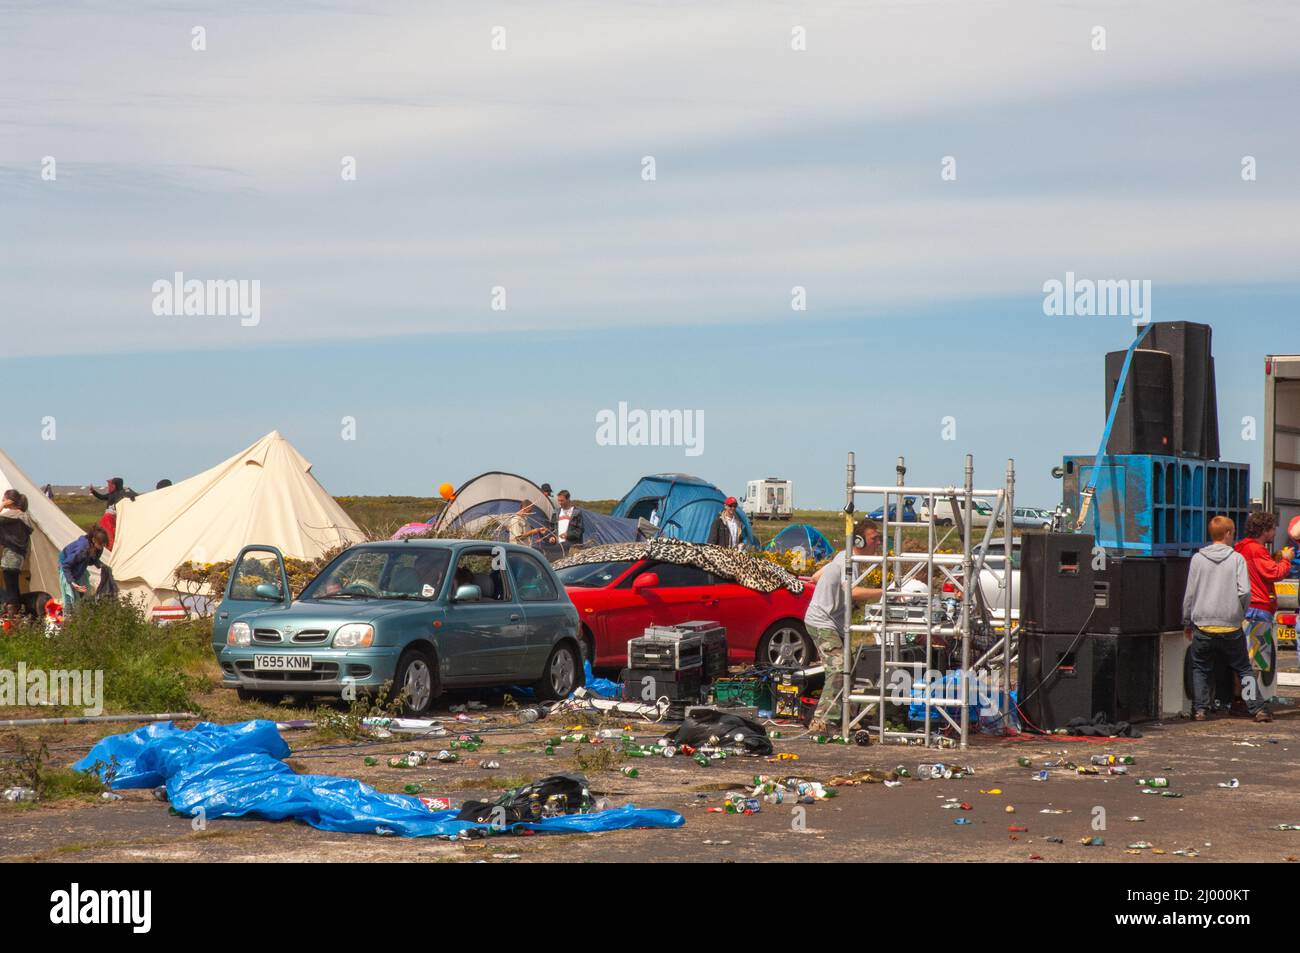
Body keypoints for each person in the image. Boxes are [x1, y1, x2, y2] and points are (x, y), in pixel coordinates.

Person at [803, 518, 885, 736]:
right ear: (858, 540)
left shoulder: (844, 558)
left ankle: (846, 716)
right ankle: (822, 721)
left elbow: (814, 576)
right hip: (821, 621)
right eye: (874, 538)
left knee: (850, 668)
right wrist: (885, 592)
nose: (878, 542)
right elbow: (852, 592)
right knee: (839, 667)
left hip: (832, 621)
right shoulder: (847, 561)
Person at [1184, 516, 1269, 722]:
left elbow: (1190, 593)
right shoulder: (1236, 559)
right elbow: (1245, 592)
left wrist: (1187, 621)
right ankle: (1257, 709)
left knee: (1201, 667)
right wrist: (1238, 613)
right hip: (1231, 625)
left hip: (1203, 625)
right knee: (1243, 668)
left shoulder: (1198, 559)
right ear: (1228, 534)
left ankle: (1200, 710)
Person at [1235, 510, 1293, 710]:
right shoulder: (1256, 550)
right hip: (1259, 608)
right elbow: (1274, 573)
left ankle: (1238, 699)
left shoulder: (1241, 547)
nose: (1275, 534)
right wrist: (1286, 559)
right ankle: (1249, 702)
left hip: (1244, 609)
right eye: (1272, 530)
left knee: (1244, 659)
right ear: (1265, 530)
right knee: (1256, 661)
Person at [0, 490, 34, 618]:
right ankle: (17, 615)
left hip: (10, 557)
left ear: (10, 501)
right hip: (18, 558)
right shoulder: (23, 516)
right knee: (14, 588)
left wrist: (2, 506)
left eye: (4, 499)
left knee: (11, 591)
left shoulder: (12, 515)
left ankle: (13, 619)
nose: (2, 501)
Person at [59, 526, 109, 610]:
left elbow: (93, 559)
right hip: (66, 564)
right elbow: (66, 565)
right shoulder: (82, 549)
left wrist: (101, 565)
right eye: (101, 544)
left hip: (79, 564)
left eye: (104, 544)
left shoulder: (99, 547)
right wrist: (72, 582)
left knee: (83, 592)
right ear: (93, 540)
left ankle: (81, 609)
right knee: (70, 595)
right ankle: (69, 615)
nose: (103, 546)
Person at [90, 477, 136, 550]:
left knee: (109, 534)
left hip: (110, 517)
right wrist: (93, 492)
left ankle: (109, 549)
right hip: (108, 517)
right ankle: (108, 548)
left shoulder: (122, 492)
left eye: (111, 484)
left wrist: (132, 495)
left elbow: (131, 493)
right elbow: (102, 497)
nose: (109, 486)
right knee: (107, 533)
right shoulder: (111, 494)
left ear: (115, 485)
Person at [548, 490, 584, 555]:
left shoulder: (576, 512)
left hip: (573, 547)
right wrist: (552, 537)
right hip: (559, 547)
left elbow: (580, 530)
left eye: (562, 500)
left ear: (568, 499)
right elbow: (552, 528)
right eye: (558, 500)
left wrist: (568, 534)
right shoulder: (556, 512)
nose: (560, 502)